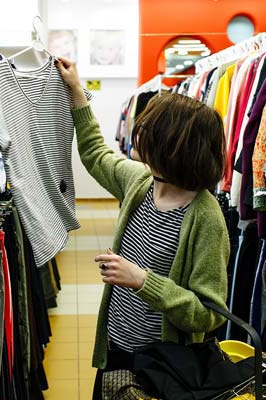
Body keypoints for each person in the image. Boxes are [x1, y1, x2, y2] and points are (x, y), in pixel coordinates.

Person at [55, 57, 230, 399]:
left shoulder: (206, 217)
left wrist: (142, 281)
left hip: (164, 368)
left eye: (149, 133)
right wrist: (76, 90)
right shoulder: (140, 182)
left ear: (173, 147)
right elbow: (95, 153)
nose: (139, 137)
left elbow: (209, 314)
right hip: (116, 348)